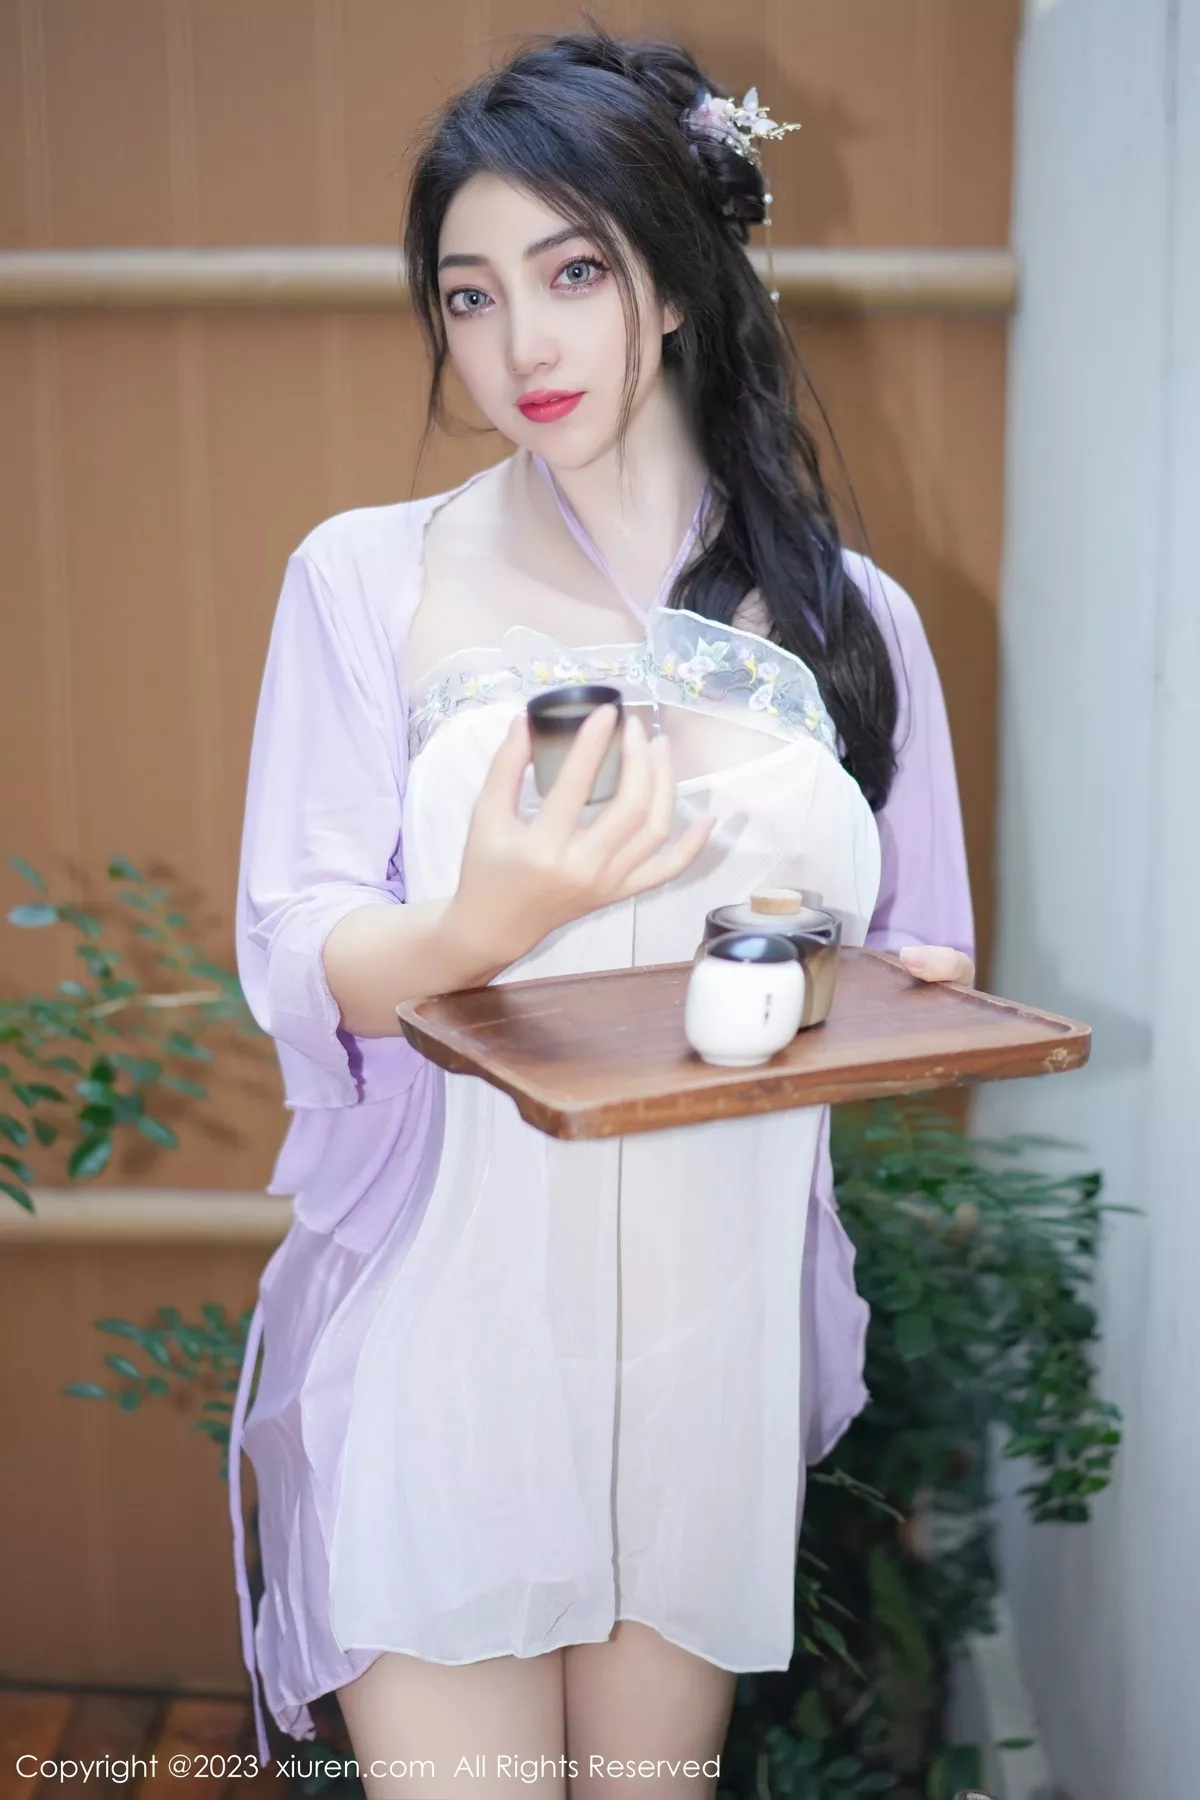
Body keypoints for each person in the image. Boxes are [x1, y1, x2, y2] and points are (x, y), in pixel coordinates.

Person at [229, 27, 974, 1800]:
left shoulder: (852, 617)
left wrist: (869, 987)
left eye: (573, 272)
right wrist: (482, 919)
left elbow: (924, 961)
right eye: (469, 294)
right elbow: (294, 946)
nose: (522, 345)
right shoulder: (368, 575)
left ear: (683, 277)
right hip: (453, 1321)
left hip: (710, 1348)